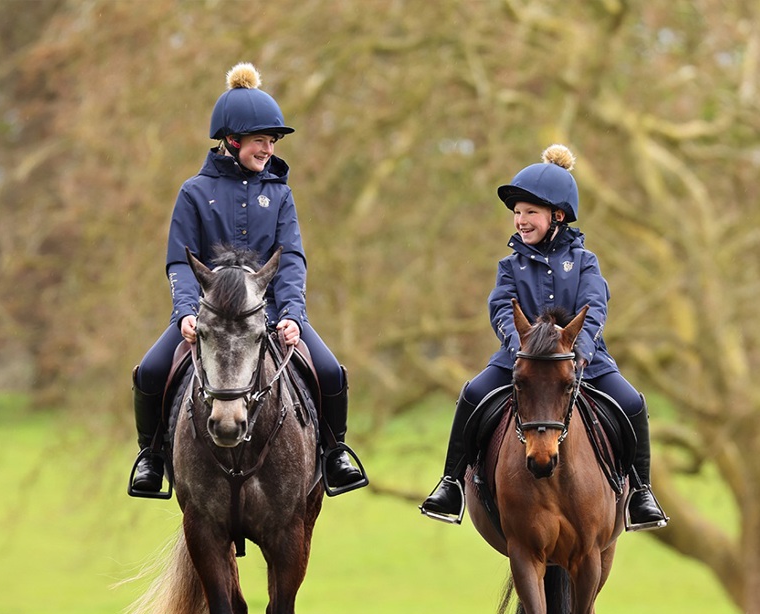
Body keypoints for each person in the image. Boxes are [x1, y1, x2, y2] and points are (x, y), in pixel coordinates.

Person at [129, 62, 367, 496]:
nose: (268, 150)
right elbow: (180, 262)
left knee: (331, 374)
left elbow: (291, 258)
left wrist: (294, 314)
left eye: (272, 142)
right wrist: (184, 312)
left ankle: (335, 454)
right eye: (261, 141)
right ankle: (151, 457)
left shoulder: (279, 194)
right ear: (232, 140)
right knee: (149, 372)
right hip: (209, 317)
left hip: (270, 313)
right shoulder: (193, 193)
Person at [420, 144, 667, 531]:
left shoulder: (585, 262)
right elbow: (501, 307)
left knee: (633, 402)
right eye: (517, 213)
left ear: (558, 215)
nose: (520, 220)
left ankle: (641, 492)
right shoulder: (509, 265)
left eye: (530, 212)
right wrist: (519, 346)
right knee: (471, 394)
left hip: (583, 361)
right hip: (520, 360)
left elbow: (594, 307)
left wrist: (581, 351)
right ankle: (450, 482)